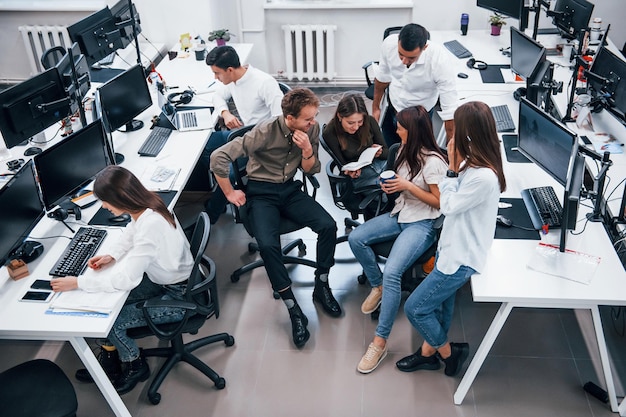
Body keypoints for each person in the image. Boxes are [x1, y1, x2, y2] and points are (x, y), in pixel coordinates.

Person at [210, 88, 341, 348]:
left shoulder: (311, 130)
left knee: (328, 226)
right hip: (261, 193)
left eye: (313, 117)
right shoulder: (265, 131)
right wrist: (229, 192)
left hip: (290, 189)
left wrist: (306, 151)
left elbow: (312, 169)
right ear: (290, 118)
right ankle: (293, 307)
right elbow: (219, 156)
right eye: (307, 118)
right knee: (269, 246)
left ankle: (322, 284)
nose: (313, 122)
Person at [50, 166, 194, 395]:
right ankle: (111, 359)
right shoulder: (149, 204)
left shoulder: (150, 227)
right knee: (107, 303)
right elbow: (131, 232)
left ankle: (135, 365)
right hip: (170, 280)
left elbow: (127, 279)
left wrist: (78, 283)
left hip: (181, 295)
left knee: (111, 322)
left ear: (121, 199)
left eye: (105, 202)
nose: (104, 207)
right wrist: (112, 255)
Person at [396, 101, 506, 377]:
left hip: (460, 257)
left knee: (416, 308)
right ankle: (427, 355)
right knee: (442, 308)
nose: (451, 134)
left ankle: (448, 352)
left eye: (456, 127)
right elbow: (453, 199)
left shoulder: (483, 177)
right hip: (451, 246)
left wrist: (452, 170)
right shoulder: (476, 162)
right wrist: (456, 170)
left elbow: (448, 205)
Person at [348, 105, 447, 374]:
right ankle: (378, 287)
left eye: (401, 126)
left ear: (412, 130)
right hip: (400, 213)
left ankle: (379, 342)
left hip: (421, 223)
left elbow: (440, 203)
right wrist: (390, 186)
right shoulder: (402, 149)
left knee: (393, 271)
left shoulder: (434, 161)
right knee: (356, 237)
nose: (396, 129)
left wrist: (408, 186)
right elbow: (400, 187)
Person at [200, 45, 284, 224]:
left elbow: (281, 120)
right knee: (203, 146)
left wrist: (254, 137)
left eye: (217, 73)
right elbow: (217, 96)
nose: (215, 77)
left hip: (261, 144)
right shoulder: (233, 80)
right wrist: (225, 113)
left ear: (229, 70)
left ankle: (210, 215)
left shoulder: (264, 83)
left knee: (228, 173)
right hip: (242, 135)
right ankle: (221, 191)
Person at [372, 23, 457, 147]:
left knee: (417, 154)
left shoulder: (439, 60)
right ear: (398, 42)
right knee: (391, 149)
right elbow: (382, 77)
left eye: (411, 58)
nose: (404, 61)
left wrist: (451, 150)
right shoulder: (388, 44)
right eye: (401, 54)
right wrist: (376, 108)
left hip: (420, 115)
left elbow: (449, 109)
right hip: (394, 106)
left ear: (425, 47)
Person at [322, 94, 388, 190]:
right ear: (340, 116)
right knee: (391, 192)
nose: (356, 127)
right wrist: (350, 170)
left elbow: (387, 153)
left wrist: (380, 153)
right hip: (360, 177)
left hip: (379, 166)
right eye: (351, 123)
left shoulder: (369, 121)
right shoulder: (330, 132)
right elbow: (342, 165)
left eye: (360, 121)